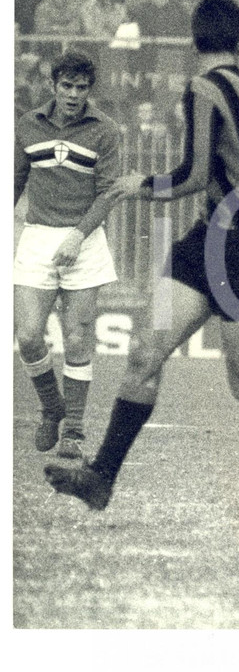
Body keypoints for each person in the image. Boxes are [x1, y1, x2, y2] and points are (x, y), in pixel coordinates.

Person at [44, 0, 239, 511]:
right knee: (146, 353)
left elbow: (192, 175)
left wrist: (141, 184)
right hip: (208, 239)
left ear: (194, 41)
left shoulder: (202, 90)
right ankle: (101, 477)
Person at [14, 52, 121, 460]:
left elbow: (108, 192)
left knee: (77, 338)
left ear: (89, 90)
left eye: (81, 88)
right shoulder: (28, 124)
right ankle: (51, 407)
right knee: (28, 336)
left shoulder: (104, 130)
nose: (74, 95)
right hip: (38, 238)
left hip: (85, 241)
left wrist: (78, 236)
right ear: (53, 85)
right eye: (67, 86)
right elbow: (14, 182)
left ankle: (73, 430)